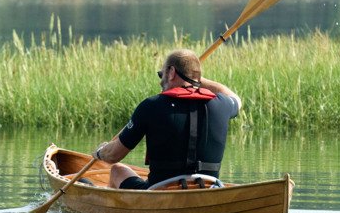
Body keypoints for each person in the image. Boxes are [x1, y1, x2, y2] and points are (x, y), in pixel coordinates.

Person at [94, 48, 241, 189]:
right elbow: (236, 99)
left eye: (161, 74)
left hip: (159, 192)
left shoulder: (150, 106)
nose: (160, 81)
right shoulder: (222, 104)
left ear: (171, 72)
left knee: (117, 170)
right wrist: (195, 77)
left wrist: (100, 152)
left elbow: (113, 156)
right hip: (208, 187)